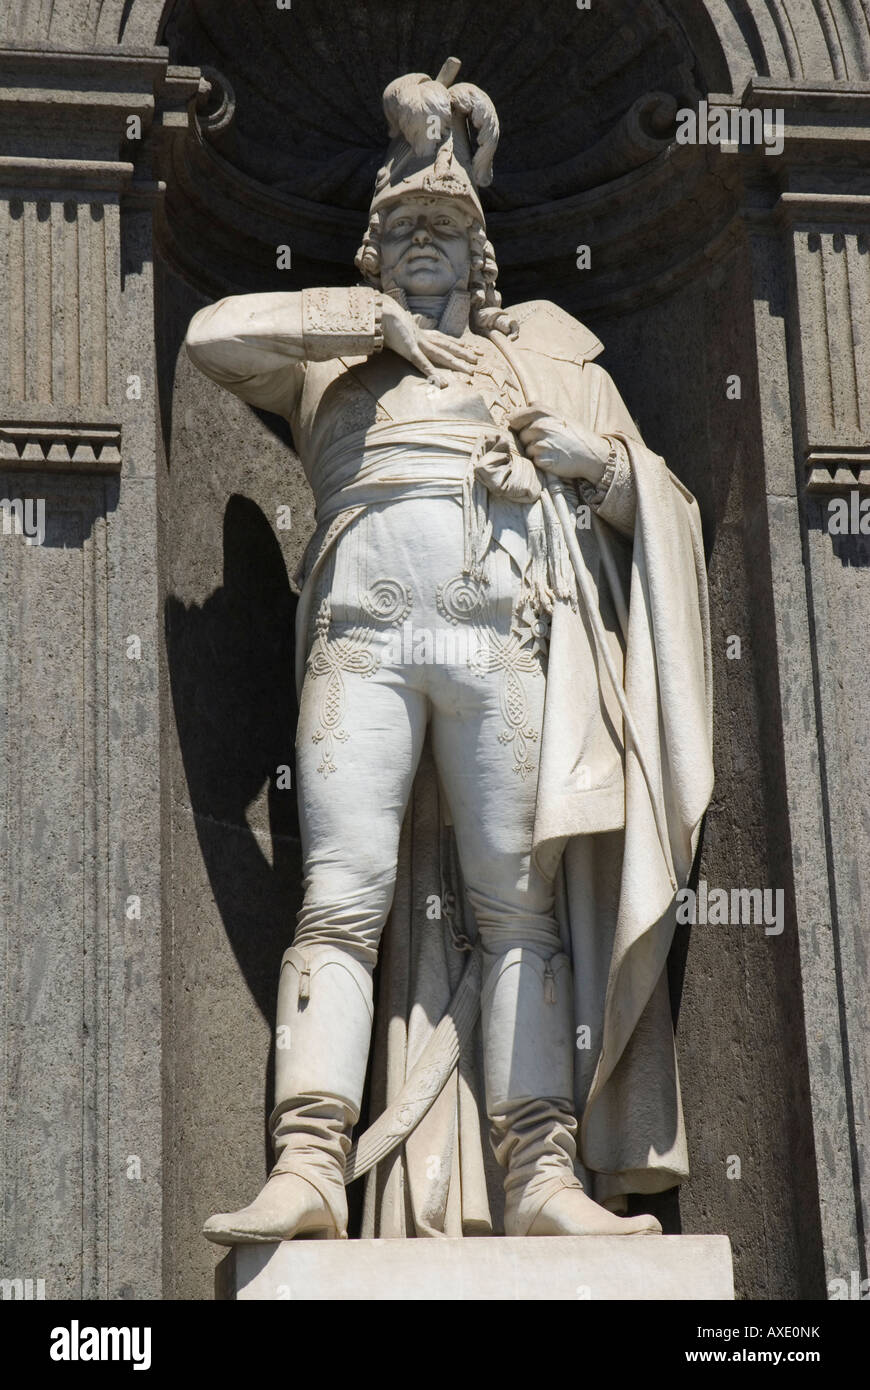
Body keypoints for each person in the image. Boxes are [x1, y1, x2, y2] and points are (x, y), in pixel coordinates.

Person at [185, 60, 713, 1243]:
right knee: (338, 899)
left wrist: (597, 469)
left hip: (501, 645)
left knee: (521, 913)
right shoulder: (331, 357)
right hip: (363, 645)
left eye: (446, 226)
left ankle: (540, 1176)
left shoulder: (549, 364)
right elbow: (215, 333)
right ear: (375, 251)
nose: (426, 238)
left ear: (481, 255)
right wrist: (358, 315)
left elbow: (662, 511)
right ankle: (310, 1162)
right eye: (405, 225)